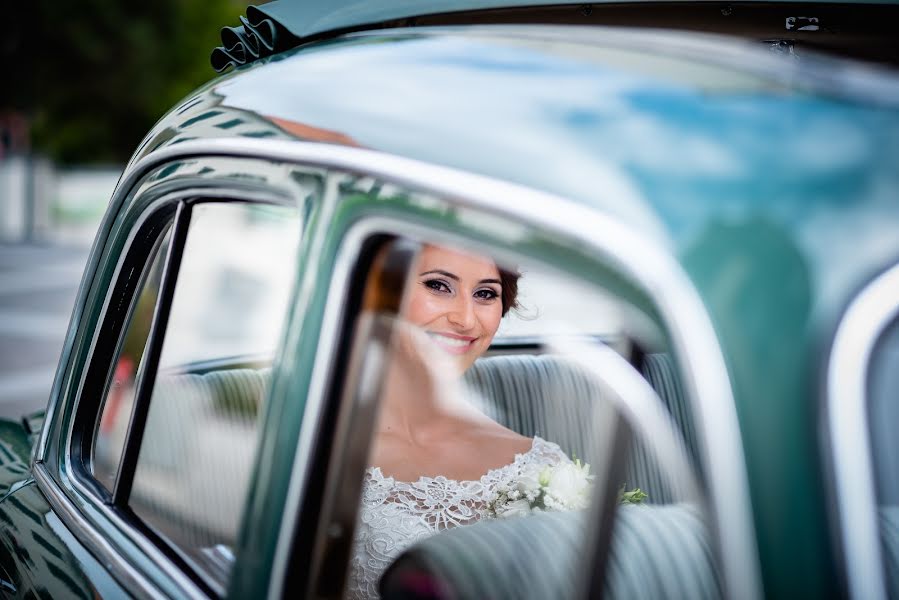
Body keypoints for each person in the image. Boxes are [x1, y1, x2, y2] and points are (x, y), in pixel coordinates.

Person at [346, 244, 571, 599]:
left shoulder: (541, 465)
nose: (466, 319)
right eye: (438, 286)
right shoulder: (316, 444)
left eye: (485, 294)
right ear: (377, 290)